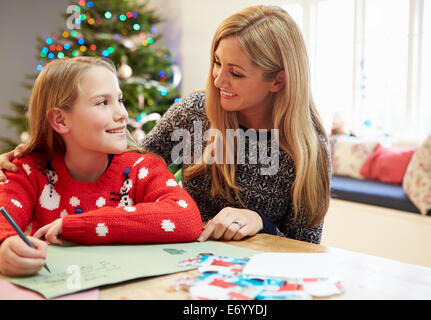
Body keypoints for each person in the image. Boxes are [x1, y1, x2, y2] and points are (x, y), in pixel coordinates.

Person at [0, 5, 330, 246]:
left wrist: (262, 223)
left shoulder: (307, 146)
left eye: (237, 72)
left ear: (278, 81)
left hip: (257, 279)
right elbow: (126, 161)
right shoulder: (194, 113)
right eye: (217, 62)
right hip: (183, 264)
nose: (218, 79)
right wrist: (36, 153)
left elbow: (305, 248)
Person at [0, 57, 202, 277]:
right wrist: (5, 247)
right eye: (103, 102)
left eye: (119, 100)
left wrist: (78, 225)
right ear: (60, 120)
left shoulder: (141, 167)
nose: (122, 114)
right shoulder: (27, 170)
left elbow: (187, 218)